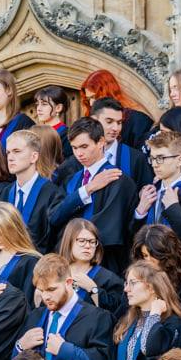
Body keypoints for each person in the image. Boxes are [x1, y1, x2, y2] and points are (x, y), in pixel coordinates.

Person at [13, 254, 112, 360]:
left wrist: (64, 350)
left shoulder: (97, 317)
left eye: (51, 289)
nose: (46, 297)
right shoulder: (35, 317)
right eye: (41, 290)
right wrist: (21, 346)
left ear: (68, 283)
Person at [49, 112, 149, 273]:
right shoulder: (73, 180)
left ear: (101, 142)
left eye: (84, 146)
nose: (79, 154)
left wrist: (70, 234)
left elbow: (109, 229)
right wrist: (88, 189)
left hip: (103, 265)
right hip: (69, 263)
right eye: (74, 148)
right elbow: (54, 216)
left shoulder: (118, 180)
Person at [112, 261, 181, 360]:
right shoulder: (129, 321)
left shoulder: (171, 323)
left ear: (151, 287)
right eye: (126, 283)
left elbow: (148, 347)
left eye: (132, 283)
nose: (126, 289)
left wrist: (155, 313)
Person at [135, 129, 181, 262]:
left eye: (161, 158)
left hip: (180, 270)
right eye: (152, 158)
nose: (154, 164)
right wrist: (140, 212)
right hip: (148, 268)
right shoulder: (150, 192)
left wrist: (174, 208)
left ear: (180, 160)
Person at [4, 129, 62, 252]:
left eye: (17, 151)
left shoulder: (53, 194)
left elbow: (55, 241)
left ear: (34, 156)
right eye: (8, 152)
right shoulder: (5, 193)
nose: (10, 158)